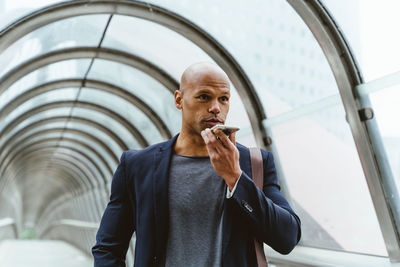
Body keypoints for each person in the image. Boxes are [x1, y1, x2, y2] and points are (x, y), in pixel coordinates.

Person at [92, 62, 301, 267]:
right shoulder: (138, 166)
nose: (215, 108)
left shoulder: (255, 163)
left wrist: (235, 178)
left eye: (224, 99)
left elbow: (287, 238)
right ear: (179, 99)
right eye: (204, 97)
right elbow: (108, 247)